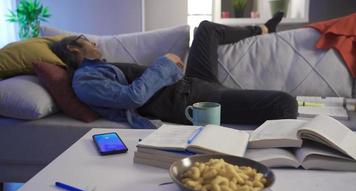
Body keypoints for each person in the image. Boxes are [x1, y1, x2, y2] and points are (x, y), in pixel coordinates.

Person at [52, 12, 298, 129]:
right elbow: (132, 97)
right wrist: (166, 62)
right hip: (193, 101)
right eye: (87, 40)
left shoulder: (97, 69)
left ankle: (264, 29)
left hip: (192, 82)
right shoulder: (84, 80)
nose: (94, 43)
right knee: (285, 104)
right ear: (74, 49)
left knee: (205, 28)